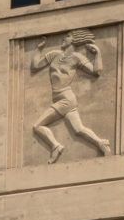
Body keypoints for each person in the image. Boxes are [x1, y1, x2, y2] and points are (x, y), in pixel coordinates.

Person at [29, 30, 110, 161]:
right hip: (62, 99)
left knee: (37, 126)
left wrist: (97, 53)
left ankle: (56, 147)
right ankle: (101, 143)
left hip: (65, 98)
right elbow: (35, 66)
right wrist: (39, 48)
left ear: (74, 40)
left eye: (67, 36)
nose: (63, 38)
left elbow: (96, 71)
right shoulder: (54, 54)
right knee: (78, 129)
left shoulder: (77, 57)